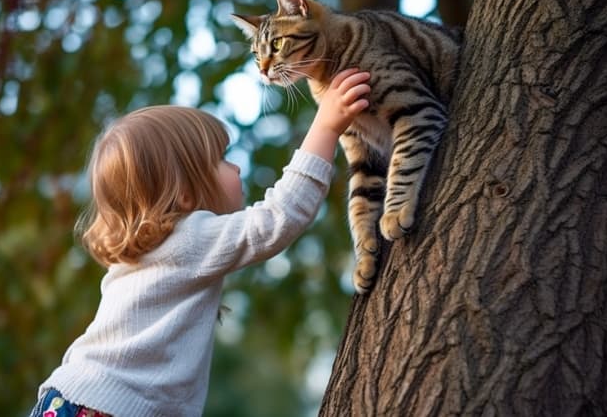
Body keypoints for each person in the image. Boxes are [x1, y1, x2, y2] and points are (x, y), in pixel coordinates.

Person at [28, 68, 371, 417]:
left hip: (65, 397)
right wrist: (326, 127)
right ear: (186, 194)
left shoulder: (141, 255)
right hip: (106, 407)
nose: (236, 168)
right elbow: (278, 216)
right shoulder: (189, 237)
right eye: (221, 159)